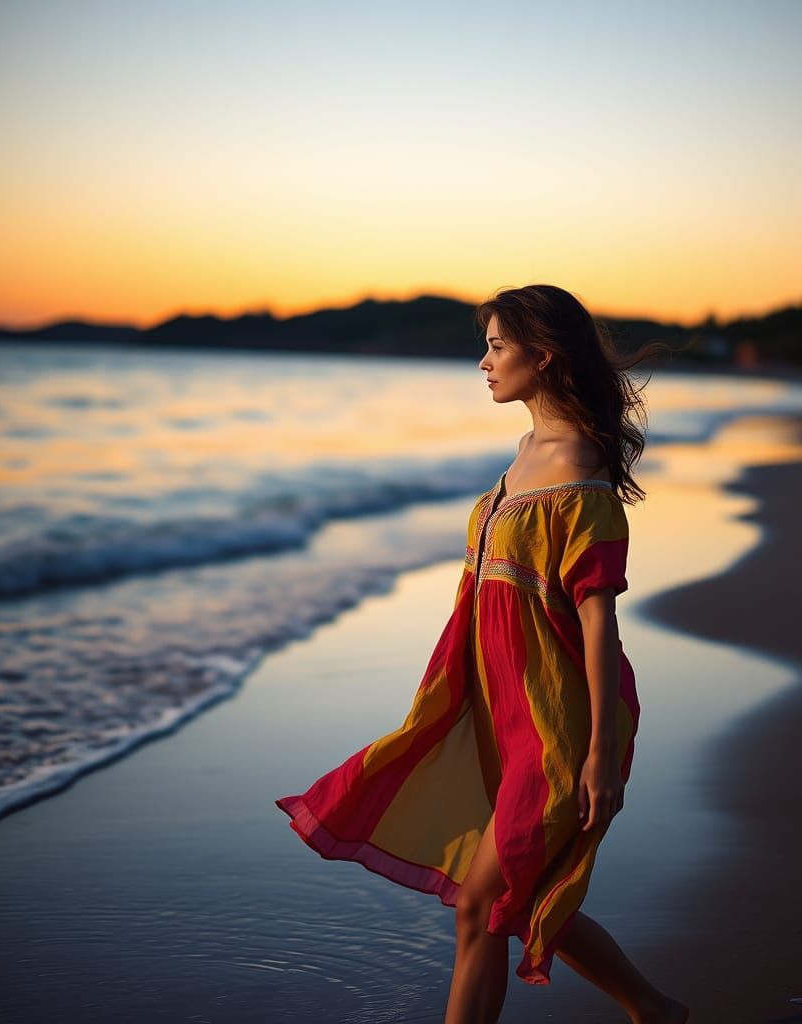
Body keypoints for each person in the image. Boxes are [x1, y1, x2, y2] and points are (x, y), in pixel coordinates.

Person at [276, 284, 689, 1024]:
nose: (484, 362)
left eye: (497, 346)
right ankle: (653, 1009)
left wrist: (599, 754)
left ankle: (651, 1007)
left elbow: (599, 622)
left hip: (558, 722)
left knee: (480, 905)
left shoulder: (579, 469)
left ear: (544, 355)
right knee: (513, 899)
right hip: (501, 711)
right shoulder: (527, 450)